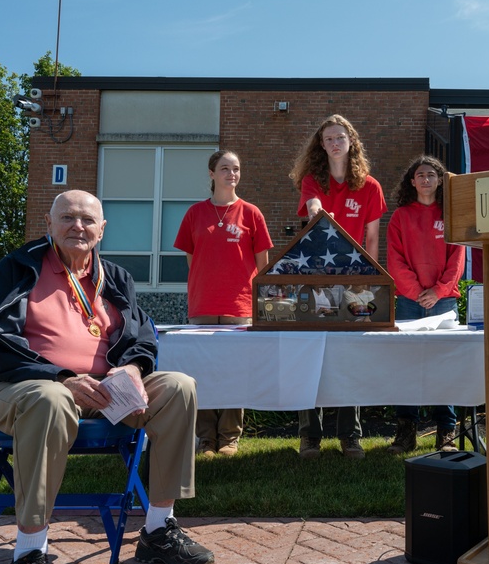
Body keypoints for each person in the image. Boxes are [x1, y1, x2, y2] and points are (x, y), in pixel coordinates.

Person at [0, 190, 214, 564]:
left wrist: (135, 371)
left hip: (106, 391)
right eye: (67, 217)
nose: (77, 226)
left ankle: (158, 529)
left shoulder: (116, 277)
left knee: (179, 386)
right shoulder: (16, 269)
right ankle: (29, 555)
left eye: (88, 220)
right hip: (23, 388)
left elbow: (141, 339)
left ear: (102, 230)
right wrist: (61, 378)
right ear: (48, 224)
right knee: (50, 401)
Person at [290, 114, 387, 459]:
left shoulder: (370, 186)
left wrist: (370, 279)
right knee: (311, 356)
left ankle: (350, 436)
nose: (334, 143)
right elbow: (312, 208)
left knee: (350, 359)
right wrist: (319, 210)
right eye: (328, 138)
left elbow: (373, 238)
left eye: (340, 138)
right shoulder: (312, 180)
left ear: (351, 142)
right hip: (315, 281)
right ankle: (310, 437)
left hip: (356, 284)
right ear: (321, 145)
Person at [174, 150, 273, 458]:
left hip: (239, 308)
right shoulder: (195, 213)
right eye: (225, 168)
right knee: (200, 373)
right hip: (202, 306)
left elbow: (262, 264)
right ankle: (205, 439)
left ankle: (229, 437)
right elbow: (193, 259)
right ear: (211, 174)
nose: (232, 173)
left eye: (236, 169)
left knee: (234, 373)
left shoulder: (251, 213)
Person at [385, 155, 466, 454]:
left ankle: (446, 431)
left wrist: (439, 291)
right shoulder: (401, 217)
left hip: (443, 303)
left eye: (432, 174)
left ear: (440, 180)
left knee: (444, 366)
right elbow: (395, 260)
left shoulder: (452, 213)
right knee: (407, 367)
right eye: (420, 175)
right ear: (412, 181)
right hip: (409, 303)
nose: (426, 179)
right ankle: (406, 432)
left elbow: (458, 259)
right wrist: (419, 291)